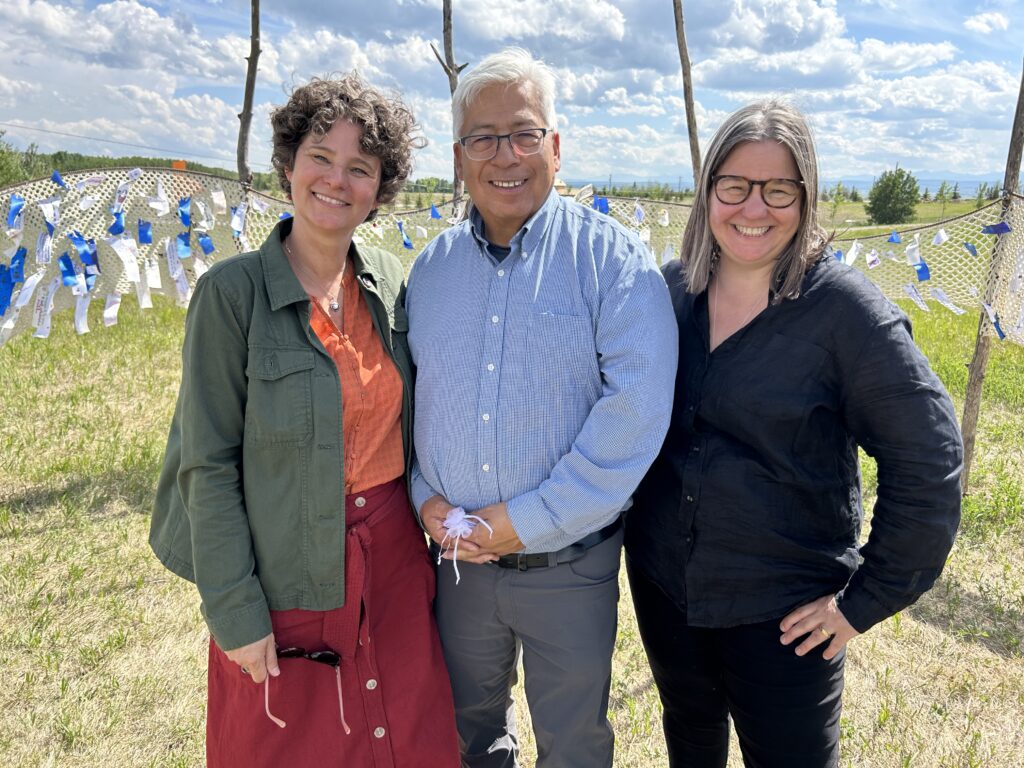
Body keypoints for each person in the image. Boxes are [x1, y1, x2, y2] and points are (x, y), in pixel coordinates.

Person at [625, 98, 964, 767]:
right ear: (708, 192)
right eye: (735, 186)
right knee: (690, 742)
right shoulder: (668, 293)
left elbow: (929, 457)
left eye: (778, 189)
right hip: (668, 586)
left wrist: (862, 601)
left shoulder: (843, 314)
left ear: (806, 196)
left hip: (784, 615)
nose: (754, 210)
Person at [149, 74, 459, 767]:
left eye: (361, 168)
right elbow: (207, 462)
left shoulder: (391, 281)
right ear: (288, 164)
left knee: (409, 740)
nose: (336, 180)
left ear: (381, 191)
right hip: (283, 567)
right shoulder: (231, 296)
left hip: (396, 567)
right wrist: (233, 610)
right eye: (321, 156)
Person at [405, 48, 678, 768]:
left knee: (574, 744)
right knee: (469, 733)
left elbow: (636, 414)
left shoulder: (614, 263)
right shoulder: (428, 274)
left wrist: (522, 523)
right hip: (458, 564)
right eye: (484, 138)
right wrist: (424, 496)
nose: (506, 155)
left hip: (570, 568)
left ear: (555, 146)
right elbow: (408, 407)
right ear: (460, 156)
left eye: (524, 133)